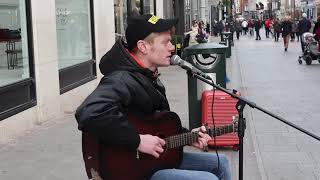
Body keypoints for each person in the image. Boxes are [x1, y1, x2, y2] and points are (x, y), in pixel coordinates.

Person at [75, 14, 231, 180]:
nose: (172, 48)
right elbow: (88, 112)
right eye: (165, 42)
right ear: (143, 47)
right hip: (131, 171)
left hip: (154, 160)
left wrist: (187, 136)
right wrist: (137, 141)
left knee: (221, 163)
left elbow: (153, 124)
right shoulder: (121, 79)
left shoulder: (150, 76)